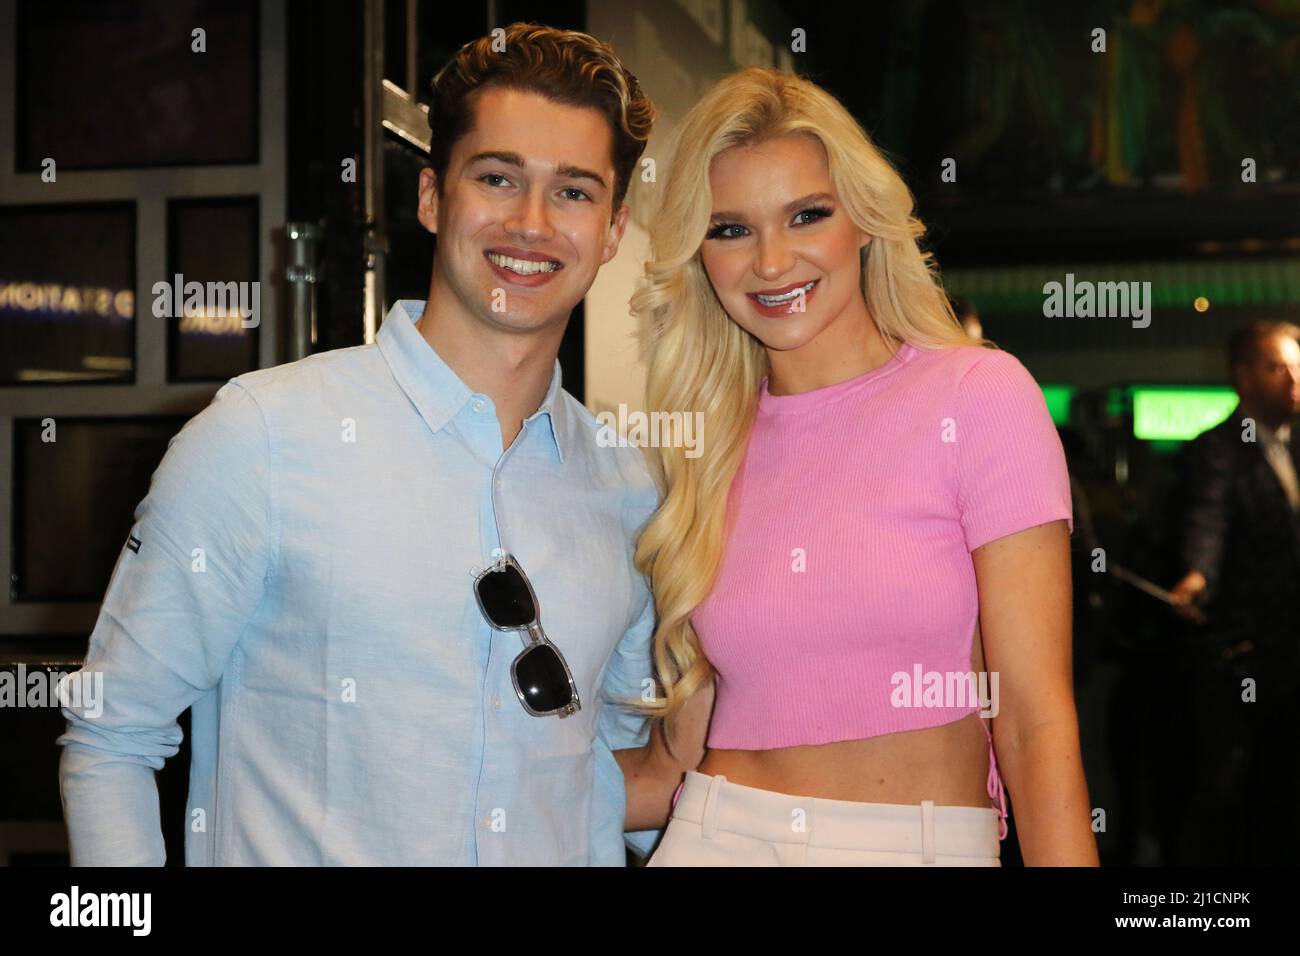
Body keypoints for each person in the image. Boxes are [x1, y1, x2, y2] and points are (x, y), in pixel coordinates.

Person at [57, 23, 665, 865]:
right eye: (497, 178)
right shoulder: (263, 436)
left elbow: (620, 772)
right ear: (430, 198)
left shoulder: (631, 490)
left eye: (573, 192)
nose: (531, 224)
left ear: (613, 229)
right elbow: (110, 734)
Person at [615, 68, 1099, 866]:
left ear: (865, 223)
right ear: (699, 255)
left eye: (807, 215)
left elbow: (1034, 720)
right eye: (730, 229)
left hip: (916, 843)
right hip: (717, 835)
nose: (772, 261)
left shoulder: (978, 396)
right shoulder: (703, 440)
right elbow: (675, 761)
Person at [1169, 320, 1300, 864]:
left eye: (1299, 368)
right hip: (1242, 658)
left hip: (1294, 657)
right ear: (1243, 376)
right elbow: (1209, 516)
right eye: (1278, 368)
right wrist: (1198, 575)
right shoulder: (1219, 448)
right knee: (1229, 793)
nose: (1294, 380)